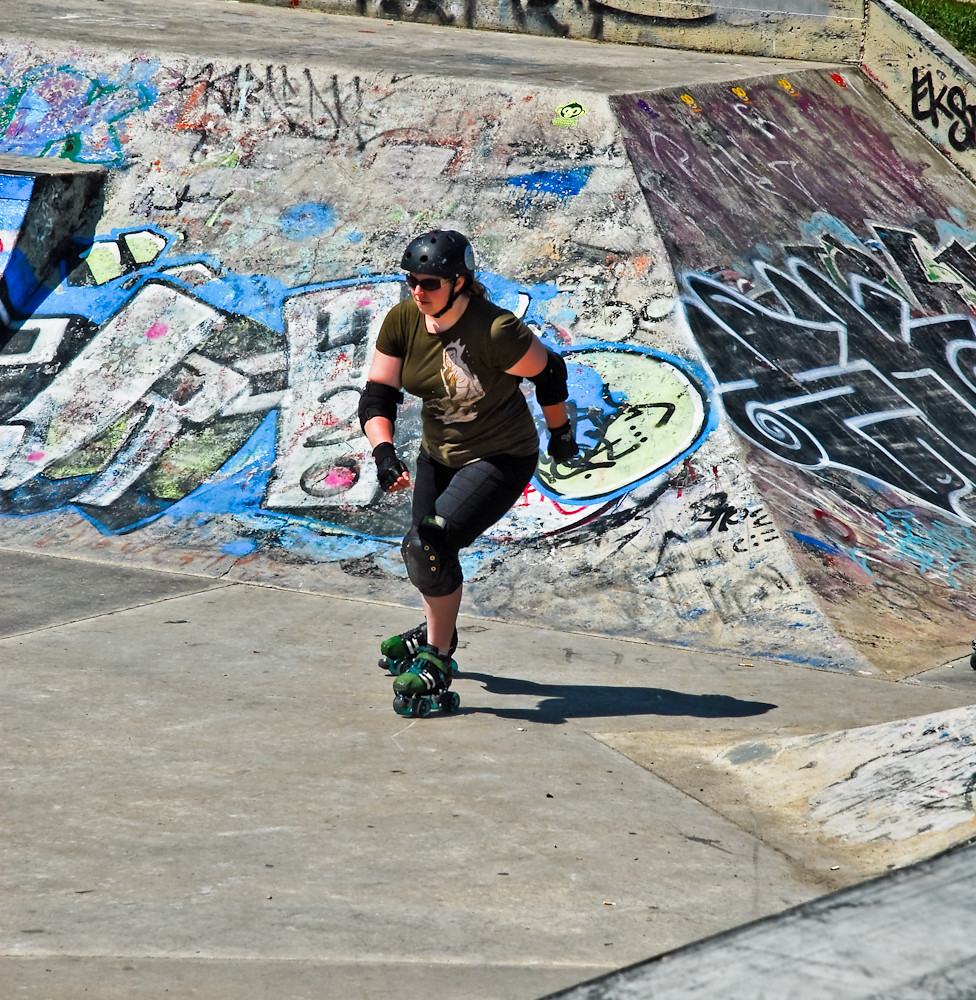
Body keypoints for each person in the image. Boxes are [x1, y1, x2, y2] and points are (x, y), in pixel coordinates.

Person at [358, 230, 578, 715]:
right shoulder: (403, 320)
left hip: (500, 455)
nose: (418, 291)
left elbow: (549, 373)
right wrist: (383, 451)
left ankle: (437, 655)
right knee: (420, 554)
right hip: (438, 455)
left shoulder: (495, 331)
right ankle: (439, 631)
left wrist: (561, 436)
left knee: (431, 544)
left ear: (459, 282)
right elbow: (378, 395)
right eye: (411, 280)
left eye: (430, 282)